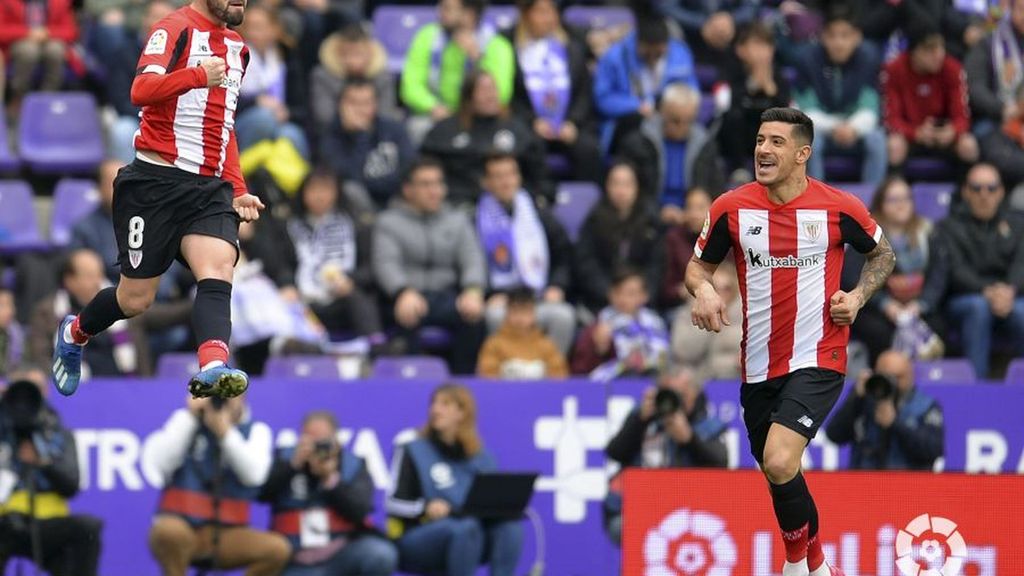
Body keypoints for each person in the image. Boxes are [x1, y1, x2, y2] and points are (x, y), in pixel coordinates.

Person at [686, 107, 895, 576]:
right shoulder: (730, 208)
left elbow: (883, 253)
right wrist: (702, 290)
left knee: (781, 459)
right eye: (761, 139)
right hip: (758, 364)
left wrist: (858, 296)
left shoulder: (840, 207)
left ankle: (796, 566)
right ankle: (819, 566)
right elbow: (698, 267)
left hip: (820, 353)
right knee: (778, 470)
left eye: (777, 142)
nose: (763, 149)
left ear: (803, 154)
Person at [51, 0, 266, 399]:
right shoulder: (174, 29)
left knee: (219, 266)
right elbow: (140, 90)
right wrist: (197, 75)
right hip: (155, 185)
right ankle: (75, 331)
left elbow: (224, 126)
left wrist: (237, 187)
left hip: (208, 187)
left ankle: (214, 364)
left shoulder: (239, 48)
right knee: (135, 300)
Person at [386, 383, 524, 576]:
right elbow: (392, 503)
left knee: (510, 528)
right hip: (419, 535)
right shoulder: (412, 449)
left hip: (472, 534)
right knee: (465, 528)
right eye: (433, 403)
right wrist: (425, 507)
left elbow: (488, 508)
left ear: (462, 413)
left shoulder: (482, 457)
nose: (435, 409)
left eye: (445, 404)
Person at [148, 394, 290, 576]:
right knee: (168, 532)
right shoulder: (184, 421)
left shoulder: (256, 430)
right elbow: (160, 465)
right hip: (185, 526)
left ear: (243, 396)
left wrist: (225, 432)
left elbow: (254, 475)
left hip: (228, 534)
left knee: (276, 550)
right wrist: (190, 417)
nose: (222, 398)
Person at [372, 158, 488, 374]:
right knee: (406, 315)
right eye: (425, 184)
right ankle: (411, 383)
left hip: (447, 296)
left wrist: (473, 290)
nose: (434, 191)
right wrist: (402, 291)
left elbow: (472, 258)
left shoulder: (457, 220)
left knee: (474, 316)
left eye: (438, 183)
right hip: (406, 296)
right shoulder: (388, 221)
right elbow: (386, 263)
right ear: (408, 189)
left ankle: (463, 382)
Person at [261, 411, 398, 576]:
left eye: (322, 441)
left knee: (380, 554)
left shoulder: (353, 464)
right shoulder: (286, 458)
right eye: (309, 439)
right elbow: (262, 494)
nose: (316, 447)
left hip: (341, 554)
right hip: (295, 558)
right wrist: (292, 465)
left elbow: (360, 511)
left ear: (336, 441)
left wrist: (330, 479)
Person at [604, 367, 728, 544]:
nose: (674, 402)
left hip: (694, 510)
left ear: (694, 394)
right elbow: (615, 452)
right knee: (621, 526)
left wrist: (689, 440)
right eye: (669, 393)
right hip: (644, 506)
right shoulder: (643, 419)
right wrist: (640, 420)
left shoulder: (708, 426)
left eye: (681, 394)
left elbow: (722, 463)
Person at [0, 368, 103, 576]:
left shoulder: (58, 433)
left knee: (87, 529)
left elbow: (71, 485)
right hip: (5, 519)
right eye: (19, 391)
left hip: (48, 523)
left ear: (46, 392)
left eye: (34, 389)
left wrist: (42, 462)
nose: (25, 400)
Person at [476, 153, 575, 354]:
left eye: (510, 174)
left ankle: (550, 376)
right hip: (501, 298)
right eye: (498, 176)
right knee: (494, 315)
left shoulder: (537, 213)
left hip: (537, 297)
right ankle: (506, 374)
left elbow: (564, 254)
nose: (506, 182)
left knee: (563, 316)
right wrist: (489, 294)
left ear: (519, 177)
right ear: (486, 182)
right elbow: (472, 263)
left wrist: (557, 285)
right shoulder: (476, 219)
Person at [934, 163, 1024, 378]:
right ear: (966, 192)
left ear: (1001, 192)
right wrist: (989, 291)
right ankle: (977, 385)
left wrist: (1009, 291)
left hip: (1011, 296)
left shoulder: (1018, 223)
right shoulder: (948, 226)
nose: (984, 195)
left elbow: (1021, 263)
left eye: (991, 188)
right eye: (977, 188)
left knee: (1022, 312)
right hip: (965, 298)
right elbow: (955, 271)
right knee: (978, 308)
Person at [846, 177, 945, 365]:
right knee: (877, 330)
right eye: (894, 199)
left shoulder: (928, 232)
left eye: (906, 198)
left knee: (938, 324)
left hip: (918, 307)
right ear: (881, 204)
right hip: (878, 308)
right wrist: (885, 304)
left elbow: (938, 276)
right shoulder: (867, 234)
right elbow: (851, 275)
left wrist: (921, 304)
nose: (902, 205)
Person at [421, 70, 550, 207]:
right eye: (483, 90)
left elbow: (538, 171)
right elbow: (428, 169)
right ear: (468, 96)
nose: (490, 96)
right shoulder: (445, 130)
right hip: (459, 205)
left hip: (512, 205)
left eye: (493, 89)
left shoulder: (516, 128)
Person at [506, 0, 601, 183]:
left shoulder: (572, 48)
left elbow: (583, 94)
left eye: (551, 12)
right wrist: (532, 122)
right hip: (530, 126)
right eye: (541, 12)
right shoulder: (509, 48)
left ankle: (585, 203)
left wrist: (572, 122)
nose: (547, 19)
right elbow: (511, 97)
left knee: (589, 149)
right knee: (529, 147)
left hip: (567, 126)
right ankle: (540, 199)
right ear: (526, 15)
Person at [287, 169, 383, 345]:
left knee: (359, 298)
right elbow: (282, 265)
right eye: (313, 190)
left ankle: (376, 347)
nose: (319, 196)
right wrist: (287, 285)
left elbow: (371, 268)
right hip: (304, 301)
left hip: (342, 300)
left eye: (326, 190)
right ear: (303, 193)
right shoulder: (289, 227)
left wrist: (350, 280)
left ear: (337, 193)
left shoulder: (356, 225)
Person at [795, 5, 886, 187]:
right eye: (832, 36)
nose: (839, 43)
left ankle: (872, 203)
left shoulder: (869, 59)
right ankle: (816, 202)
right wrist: (835, 127)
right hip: (821, 130)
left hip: (855, 132)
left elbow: (870, 108)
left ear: (857, 37)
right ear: (822, 37)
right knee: (809, 142)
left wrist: (852, 128)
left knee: (877, 139)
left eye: (845, 35)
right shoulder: (807, 60)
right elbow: (803, 110)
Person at [400, 0, 514, 137]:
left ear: (469, 14)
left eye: (447, 8)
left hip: (479, 118)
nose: (440, 12)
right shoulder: (427, 37)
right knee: (418, 127)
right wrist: (433, 107)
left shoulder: (498, 46)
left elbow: (502, 94)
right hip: (436, 115)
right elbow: (410, 86)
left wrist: (477, 60)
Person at [612, 84, 726, 221]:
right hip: (644, 219)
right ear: (662, 113)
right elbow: (630, 189)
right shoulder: (638, 144)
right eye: (675, 120)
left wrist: (691, 213)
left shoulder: (705, 147)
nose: (682, 127)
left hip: (693, 221)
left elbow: (714, 189)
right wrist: (657, 213)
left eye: (688, 121)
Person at [31, 250, 151, 377]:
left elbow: (151, 310)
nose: (97, 282)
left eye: (100, 275)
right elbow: (41, 357)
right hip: (77, 388)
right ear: (69, 280)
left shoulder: (120, 304)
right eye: (90, 276)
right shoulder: (47, 311)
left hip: (123, 384)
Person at [882, 22, 979, 174]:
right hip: (911, 135)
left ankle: (964, 194)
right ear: (914, 52)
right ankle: (896, 193)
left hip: (944, 135)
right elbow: (891, 119)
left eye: (941, 48)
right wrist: (915, 133)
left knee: (968, 145)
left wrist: (953, 130)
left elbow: (962, 116)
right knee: (894, 146)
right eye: (930, 50)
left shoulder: (952, 68)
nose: (938, 55)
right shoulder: (894, 69)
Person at [825, 350, 944, 470]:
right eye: (886, 376)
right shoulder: (864, 400)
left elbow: (934, 449)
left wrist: (895, 424)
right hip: (864, 481)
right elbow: (834, 435)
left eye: (898, 377)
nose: (892, 382)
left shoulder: (925, 405)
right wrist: (855, 397)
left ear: (910, 376)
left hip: (909, 483)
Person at [593, 16, 698, 149]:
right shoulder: (615, 57)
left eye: (658, 53)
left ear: (667, 45)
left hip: (669, 117)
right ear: (638, 43)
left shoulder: (681, 54)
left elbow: (692, 92)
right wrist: (636, 106)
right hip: (629, 120)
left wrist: (672, 107)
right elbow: (603, 99)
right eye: (648, 53)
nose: (653, 58)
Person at [574, 160, 662, 312]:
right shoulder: (594, 220)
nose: (621, 191)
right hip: (600, 301)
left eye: (627, 184)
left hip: (642, 302)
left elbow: (657, 264)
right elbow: (586, 263)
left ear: (637, 187)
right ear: (607, 186)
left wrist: (641, 294)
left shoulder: (651, 222)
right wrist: (609, 292)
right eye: (616, 183)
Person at [318, 78, 415, 212]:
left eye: (366, 103)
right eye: (353, 103)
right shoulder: (331, 137)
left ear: (375, 104)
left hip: (396, 200)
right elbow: (349, 178)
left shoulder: (394, 129)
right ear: (340, 105)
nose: (361, 109)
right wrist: (360, 136)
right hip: (360, 208)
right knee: (351, 190)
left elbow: (409, 170)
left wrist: (373, 183)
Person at [233, 4, 309, 161]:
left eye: (259, 27)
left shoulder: (288, 58)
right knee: (264, 118)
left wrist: (287, 113)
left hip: (282, 120)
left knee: (292, 134)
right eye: (249, 26)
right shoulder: (234, 55)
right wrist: (256, 102)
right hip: (242, 120)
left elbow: (301, 107)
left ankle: (284, 183)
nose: (253, 32)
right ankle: (242, 173)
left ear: (275, 29)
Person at [718, 22, 793, 179]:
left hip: (766, 134)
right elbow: (724, 106)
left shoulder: (778, 76)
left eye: (767, 46)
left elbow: (789, 112)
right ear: (741, 50)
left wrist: (771, 90)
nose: (762, 52)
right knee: (733, 118)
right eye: (757, 45)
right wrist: (751, 87)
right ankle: (739, 170)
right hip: (738, 136)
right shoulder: (732, 72)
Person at [571, 269, 669, 381]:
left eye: (631, 293)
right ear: (611, 295)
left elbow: (664, 359)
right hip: (613, 382)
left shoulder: (656, 324)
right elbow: (580, 372)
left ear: (644, 296)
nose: (623, 299)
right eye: (619, 293)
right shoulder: (599, 325)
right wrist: (599, 351)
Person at [310, 23, 397, 139]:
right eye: (346, 54)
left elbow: (386, 114)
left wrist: (365, 122)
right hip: (335, 135)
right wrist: (349, 122)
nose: (353, 61)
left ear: (370, 52)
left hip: (376, 135)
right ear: (337, 53)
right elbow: (324, 115)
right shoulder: (322, 76)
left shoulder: (383, 77)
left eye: (359, 53)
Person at [670, 263, 742, 382]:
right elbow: (683, 352)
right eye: (714, 288)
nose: (720, 294)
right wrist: (706, 319)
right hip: (693, 384)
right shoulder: (687, 313)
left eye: (726, 288)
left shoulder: (745, 317)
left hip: (732, 383)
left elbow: (742, 358)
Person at [476, 287, 568, 379]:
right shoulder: (493, 344)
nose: (520, 318)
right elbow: (486, 377)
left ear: (533, 314)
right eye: (515, 311)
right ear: (507, 313)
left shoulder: (547, 345)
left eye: (525, 312)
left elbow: (559, 377)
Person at [0, 0, 79, 108]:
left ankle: (47, 99)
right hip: (18, 41)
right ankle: (19, 97)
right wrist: (27, 33)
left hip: (50, 38)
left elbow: (71, 31)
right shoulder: (6, 2)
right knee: (28, 50)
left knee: (56, 50)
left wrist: (47, 33)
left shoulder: (60, 2)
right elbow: (2, 30)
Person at [964, 0, 1024, 138]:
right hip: (994, 120)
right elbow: (974, 87)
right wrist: (1002, 108)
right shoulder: (989, 43)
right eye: (1021, 9)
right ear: (1011, 9)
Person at [659, 187, 711, 310]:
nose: (694, 214)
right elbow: (664, 287)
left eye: (700, 208)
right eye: (690, 207)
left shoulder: (722, 237)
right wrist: (680, 291)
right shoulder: (673, 238)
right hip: (682, 306)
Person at [0, 289, 26, 383]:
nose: (11, 311)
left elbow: (21, 365)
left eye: (11, 305)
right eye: (3, 305)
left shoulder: (15, 332)